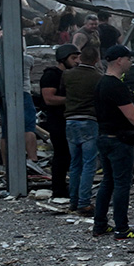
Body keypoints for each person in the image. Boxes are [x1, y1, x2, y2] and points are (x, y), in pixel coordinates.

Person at [92, 45, 134, 239]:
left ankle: (100, 224)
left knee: (108, 181)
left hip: (104, 137)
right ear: (119, 60)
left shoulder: (101, 83)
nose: (131, 62)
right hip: (118, 141)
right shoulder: (116, 86)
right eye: (129, 59)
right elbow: (132, 114)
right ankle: (122, 228)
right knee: (122, 184)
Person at [63, 44, 102, 214]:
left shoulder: (67, 75)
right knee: (89, 164)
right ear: (96, 59)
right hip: (89, 120)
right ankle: (84, 201)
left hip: (70, 120)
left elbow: (63, 92)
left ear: (80, 58)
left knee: (75, 164)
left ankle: (73, 200)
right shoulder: (98, 77)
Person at [41, 44, 79, 203]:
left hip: (70, 119)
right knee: (61, 155)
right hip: (57, 120)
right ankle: (58, 189)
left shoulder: (72, 75)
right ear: (63, 59)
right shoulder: (51, 75)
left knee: (70, 155)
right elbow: (49, 98)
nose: (77, 61)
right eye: (73, 58)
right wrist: (73, 100)